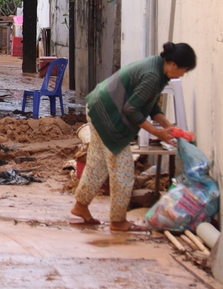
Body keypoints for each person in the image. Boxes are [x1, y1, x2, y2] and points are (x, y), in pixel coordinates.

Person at [71, 42, 197, 232]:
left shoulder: (157, 67)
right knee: (123, 172)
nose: (183, 75)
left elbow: (151, 106)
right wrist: (157, 132)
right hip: (109, 116)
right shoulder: (153, 76)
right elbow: (132, 110)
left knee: (98, 164)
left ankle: (81, 205)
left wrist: (168, 126)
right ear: (173, 65)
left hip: (98, 107)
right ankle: (118, 220)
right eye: (184, 71)